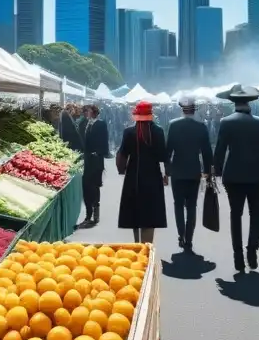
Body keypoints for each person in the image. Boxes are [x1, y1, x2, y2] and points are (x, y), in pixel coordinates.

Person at [213, 85, 259, 274]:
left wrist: (215, 173)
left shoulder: (226, 122)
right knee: (256, 214)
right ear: (250, 103)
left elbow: (220, 150)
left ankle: (237, 256)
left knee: (236, 215)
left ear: (233, 103)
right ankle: (252, 251)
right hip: (257, 175)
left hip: (233, 175)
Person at [165, 95, 213, 251]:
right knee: (191, 206)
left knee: (178, 205)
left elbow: (168, 150)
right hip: (194, 171)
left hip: (177, 170)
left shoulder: (173, 125)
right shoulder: (201, 127)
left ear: (182, 110)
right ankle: (189, 239)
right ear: (194, 110)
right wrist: (208, 173)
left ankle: (181, 235)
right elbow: (207, 153)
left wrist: (166, 171)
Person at [117, 101, 168, 244]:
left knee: (135, 214)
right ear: (151, 114)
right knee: (149, 215)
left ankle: (137, 246)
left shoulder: (128, 132)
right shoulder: (158, 131)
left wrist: (122, 169)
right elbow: (163, 156)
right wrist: (166, 175)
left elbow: (122, 154)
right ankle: (148, 247)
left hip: (133, 176)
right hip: (153, 177)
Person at [79, 104, 109, 228]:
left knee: (94, 187)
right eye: (85, 111)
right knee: (86, 187)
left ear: (94, 112)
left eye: (88, 111)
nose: (86, 113)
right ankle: (88, 214)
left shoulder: (101, 124)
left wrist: (98, 153)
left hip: (96, 161)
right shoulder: (86, 124)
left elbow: (104, 141)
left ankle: (95, 214)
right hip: (87, 160)